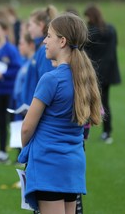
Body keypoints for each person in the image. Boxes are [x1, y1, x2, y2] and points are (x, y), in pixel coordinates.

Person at [18, 13, 102, 213]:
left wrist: (28, 153)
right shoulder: (83, 77)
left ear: (62, 41)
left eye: (49, 36)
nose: (45, 41)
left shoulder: (51, 79)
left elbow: (27, 128)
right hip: (73, 163)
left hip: (48, 163)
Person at [84, 4, 121, 144]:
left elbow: (86, 52)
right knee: (105, 102)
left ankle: (85, 129)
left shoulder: (91, 32)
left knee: (87, 100)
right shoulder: (111, 29)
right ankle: (107, 131)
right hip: (109, 72)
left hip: (95, 72)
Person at [0, 18, 21, 164]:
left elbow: (18, 68)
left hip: (10, 91)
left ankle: (20, 155)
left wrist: (3, 74)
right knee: (1, 122)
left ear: (4, 31)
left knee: (14, 122)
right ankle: (2, 153)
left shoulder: (10, 49)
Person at [22, 5, 57, 106]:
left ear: (41, 25)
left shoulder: (44, 50)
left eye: (30, 25)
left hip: (37, 109)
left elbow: (46, 85)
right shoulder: (40, 49)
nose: (28, 29)